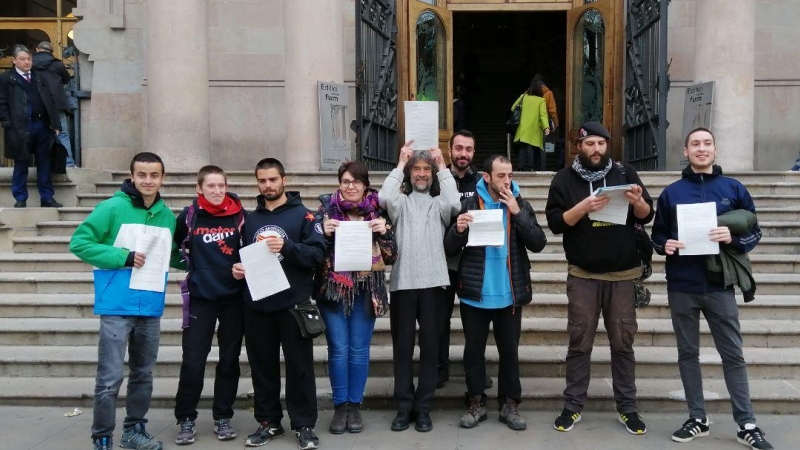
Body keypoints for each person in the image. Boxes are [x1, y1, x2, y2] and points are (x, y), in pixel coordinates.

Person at [651, 128, 774, 450]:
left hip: (721, 285)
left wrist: (733, 239)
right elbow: (657, 235)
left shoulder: (733, 188)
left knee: (733, 354)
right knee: (687, 354)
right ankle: (697, 418)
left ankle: (746, 423)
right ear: (686, 150)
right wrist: (667, 245)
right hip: (682, 284)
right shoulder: (671, 193)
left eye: (707, 144)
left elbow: (754, 231)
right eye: (695, 144)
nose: (701, 149)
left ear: (715, 150)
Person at [545, 122, 653, 436]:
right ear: (579, 146)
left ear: (608, 145)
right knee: (579, 342)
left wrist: (638, 203)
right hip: (583, 275)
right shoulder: (564, 179)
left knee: (623, 344)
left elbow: (648, 214)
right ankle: (572, 406)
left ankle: (628, 408)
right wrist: (582, 207)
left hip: (623, 275)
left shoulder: (625, 173)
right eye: (590, 143)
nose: (596, 149)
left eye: (601, 144)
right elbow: (555, 224)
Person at [70, 152, 183, 450]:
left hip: (150, 306)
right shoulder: (111, 208)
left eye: (154, 175)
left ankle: (134, 431)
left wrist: (207, 260)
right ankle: (102, 437)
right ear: (132, 176)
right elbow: (79, 243)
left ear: (162, 178)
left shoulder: (167, 216)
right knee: (109, 378)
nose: (148, 180)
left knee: (143, 374)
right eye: (142, 175)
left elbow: (172, 257)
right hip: (117, 305)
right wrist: (123, 257)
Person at [445, 155, 547, 431]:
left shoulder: (520, 203)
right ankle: (475, 401)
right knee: (474, 351)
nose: (507, 181)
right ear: (486, 177)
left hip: (509, 293)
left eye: (510, 175)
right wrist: (458, 229)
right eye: (501, 176)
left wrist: (518, 213)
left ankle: (509, 404)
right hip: (475, 293)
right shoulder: (468, 203)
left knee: (509, 352)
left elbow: (539, 243)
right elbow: (449, 248)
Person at [232, 158, 326, 450]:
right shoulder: (248, 219)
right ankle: (269, 422)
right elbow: (239, 255)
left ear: (284, 180)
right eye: (262, 180)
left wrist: (287, 246)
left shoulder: (305, 217)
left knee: (300, 368)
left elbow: (317, 255)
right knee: (262, 368)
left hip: (293, 305)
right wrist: (238, 270)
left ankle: (304, 425)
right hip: (258, 304)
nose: (267, 185)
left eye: (273, 179)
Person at [379, 143, 460, 433]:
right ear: (411, 174)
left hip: (434, 285)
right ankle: (403, 408)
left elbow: (455, 202)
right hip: (403, 284)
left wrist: (442, 164)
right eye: (417, 169)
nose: (422, 174)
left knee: (429, 349)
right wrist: (400, 163)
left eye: (426, 170)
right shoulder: (400, 203)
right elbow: (383, 196)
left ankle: (423, 408)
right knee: (402, 349)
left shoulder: (439, 204)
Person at [314, 161, 396, 434]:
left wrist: (384, 233)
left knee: (359, 349)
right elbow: (311, 251)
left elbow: (392, 255)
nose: (351, 186)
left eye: (356, 182)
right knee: (338, 348)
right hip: (333, 290)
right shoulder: (325, 210)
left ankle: (354, 406)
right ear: (339, 183)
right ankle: (340, 407)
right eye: (346, 181)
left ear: (365, 185)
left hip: (365, 289)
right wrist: (323, 234)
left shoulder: (378, 212)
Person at [173, 165, 246, 445]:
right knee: (193, 361)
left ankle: (222, 416)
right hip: (200, 298)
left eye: (221, 186)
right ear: (199, 189)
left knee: (229, 360)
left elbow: (252, 250)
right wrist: (192, 268)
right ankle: (186, 419)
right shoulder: (190, 216)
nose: (217, 191)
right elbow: (173, 247)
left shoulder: (240, 216)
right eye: (211, 186)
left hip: (233, 300)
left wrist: (245, 268)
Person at [438, 130, 481, 389]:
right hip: (444, 261)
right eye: (459, 148)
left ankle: (474, 369)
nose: (463, 154)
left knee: (475, 321)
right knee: (440, 319)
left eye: (468, 149)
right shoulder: (438, 181)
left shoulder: (481, 183)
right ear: (450, 150)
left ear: (473, 153)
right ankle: (439, 368)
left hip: (474, 261)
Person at [0, 44, 63, 208]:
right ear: (14, 61)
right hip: (19, 127)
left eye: (29, 59)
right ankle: (20, 198)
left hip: (41, 125)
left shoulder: (38, 77)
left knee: (45, 162)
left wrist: (55, 123)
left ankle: (47, 197)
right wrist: (7, 123)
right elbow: (2, 102)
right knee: (21, 162)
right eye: (22, 59)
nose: (26, 62)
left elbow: (50, 101)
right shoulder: (7, 78)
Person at [33, 40, 75, 167]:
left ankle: (40, 164)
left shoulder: (29, 63)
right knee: (62, 134)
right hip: (57, 103)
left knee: (38, 134)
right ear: (51, 52)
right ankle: (67, 163)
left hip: (37, 103)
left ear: (37, 49)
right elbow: (67, 79)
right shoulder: (57, 64)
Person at [511, 78, 550, 171]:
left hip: (523, 129)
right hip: (535, 129)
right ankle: (535, 168)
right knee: (536, 149)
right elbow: (543, 115)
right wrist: (546, 127)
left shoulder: (523, 97)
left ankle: (520, 168)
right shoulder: (541, 100)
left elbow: (513, 108)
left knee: (523, 149)